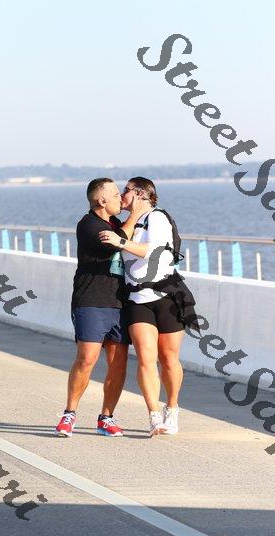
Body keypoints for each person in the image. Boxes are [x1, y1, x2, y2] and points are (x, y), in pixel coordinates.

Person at [99, 177, 197, 435]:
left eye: (126, 190)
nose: (121, 195)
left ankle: (171, 408)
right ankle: (154, 415)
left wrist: (120, 242)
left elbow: (154, 251)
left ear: (141, 193)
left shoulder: (158, 218)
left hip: (166, 296)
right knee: (146, 357)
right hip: (137, 299)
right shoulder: (128, 224)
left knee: (169, 358)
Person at [55, 178, 149, 437]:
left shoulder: (117, 224)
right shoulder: (88, 224)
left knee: (118, 363)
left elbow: (134, 243)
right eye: (116, 194)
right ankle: (69, 414)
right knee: (87, 358)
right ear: (101, 200)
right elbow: (114, 243)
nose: (121, 198)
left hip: (119, 302)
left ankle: (106, 417)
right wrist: (134, 217)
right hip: (91, 300)